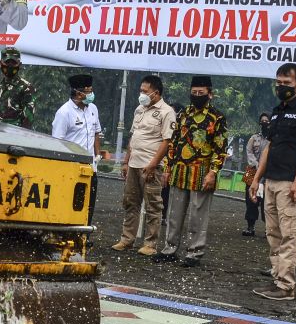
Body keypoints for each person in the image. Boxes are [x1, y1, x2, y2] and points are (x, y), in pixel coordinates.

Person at [249, 63, 296, 300]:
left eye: (286, 84)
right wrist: (257, 178)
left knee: (290, 235)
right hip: (271, 181)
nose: (281, 87)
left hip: (291, 184)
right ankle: (277, 279)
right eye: (278, 83)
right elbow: (269, 146)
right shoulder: (277, 110)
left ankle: (286, 286)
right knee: (273, 234)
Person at [158, 76, 227, 266]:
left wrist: (213, 172)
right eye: (193, 93)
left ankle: (194, 253)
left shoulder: (217, 117)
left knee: (198, 216)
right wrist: (168, 168)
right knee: (174, 213)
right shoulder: (182, 115)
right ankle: (169, 249)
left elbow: (220, 149)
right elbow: (174, 142)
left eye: (201, 93)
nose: (196, 96)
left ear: (209, 94)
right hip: (180, 171)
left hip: (202, 172)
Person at [112, 75, 176, 257]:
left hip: (151, 165)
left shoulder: (166, 112)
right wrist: (125, 161)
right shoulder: (139, 109)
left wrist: (154, 164)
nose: (141, 94)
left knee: (153, 206)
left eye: (145, 91)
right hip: (133, 163)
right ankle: (127, 239)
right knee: (130, 202)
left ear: (156, 93)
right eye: (141, 90)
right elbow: (133, 137)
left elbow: (166, 141)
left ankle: (150, 244)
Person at [52, 74, 102, 213]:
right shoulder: (64, 113)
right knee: (71, 207)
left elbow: (96, 132)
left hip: (91, 168)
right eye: (88, 91)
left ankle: (85, 235)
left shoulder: (93, 109)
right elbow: (58, 142)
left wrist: (97, 155)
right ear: (79, 93)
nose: (91, 94)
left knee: (88, 208)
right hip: (72, 169)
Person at [0, 46, 35, 129]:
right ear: (0, 63)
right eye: (7, 62)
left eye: (14, 63)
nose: (10, 66)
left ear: (20, 65)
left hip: (16, 138)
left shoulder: (27, 88)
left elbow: (28, 121)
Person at [241, 114, 269, 236]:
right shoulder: (254, 137)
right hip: (252, 171)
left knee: (267, 201)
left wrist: (263, 167)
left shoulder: (274, 138)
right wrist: (257, 164)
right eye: (262, 121)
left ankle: (268, 229)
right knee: (250, 200)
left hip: (268, 173)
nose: (264, 122)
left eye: (267, 121)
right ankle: (250, 227)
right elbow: (249, 151)